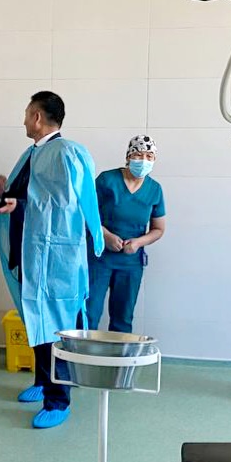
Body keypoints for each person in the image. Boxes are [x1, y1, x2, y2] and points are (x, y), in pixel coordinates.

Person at [0, 91, 102, 430]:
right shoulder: (32, 154)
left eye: (27, 113)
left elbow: (65, 206)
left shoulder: (67, 153)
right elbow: (23, 198)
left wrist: (20, 203)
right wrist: (2, 198)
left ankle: (58, 400)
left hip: (58, 260)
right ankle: (42, 381)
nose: (24, 120)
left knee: (57, 327)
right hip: (32, 255)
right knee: (36, 320)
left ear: (37, 117)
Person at [85, 135, 166, 333]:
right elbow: (87, 213)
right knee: (89, 313)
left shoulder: (154, 190)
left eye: (149, 156)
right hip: (99, 257)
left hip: (131, 262)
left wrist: (138, 242)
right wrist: (105, 235)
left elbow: (158, 229)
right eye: (138, 155)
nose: (143, 160)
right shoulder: (107, 180)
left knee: (123, 318)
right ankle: (82, 351)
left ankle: (119, 354)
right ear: (128, 156)